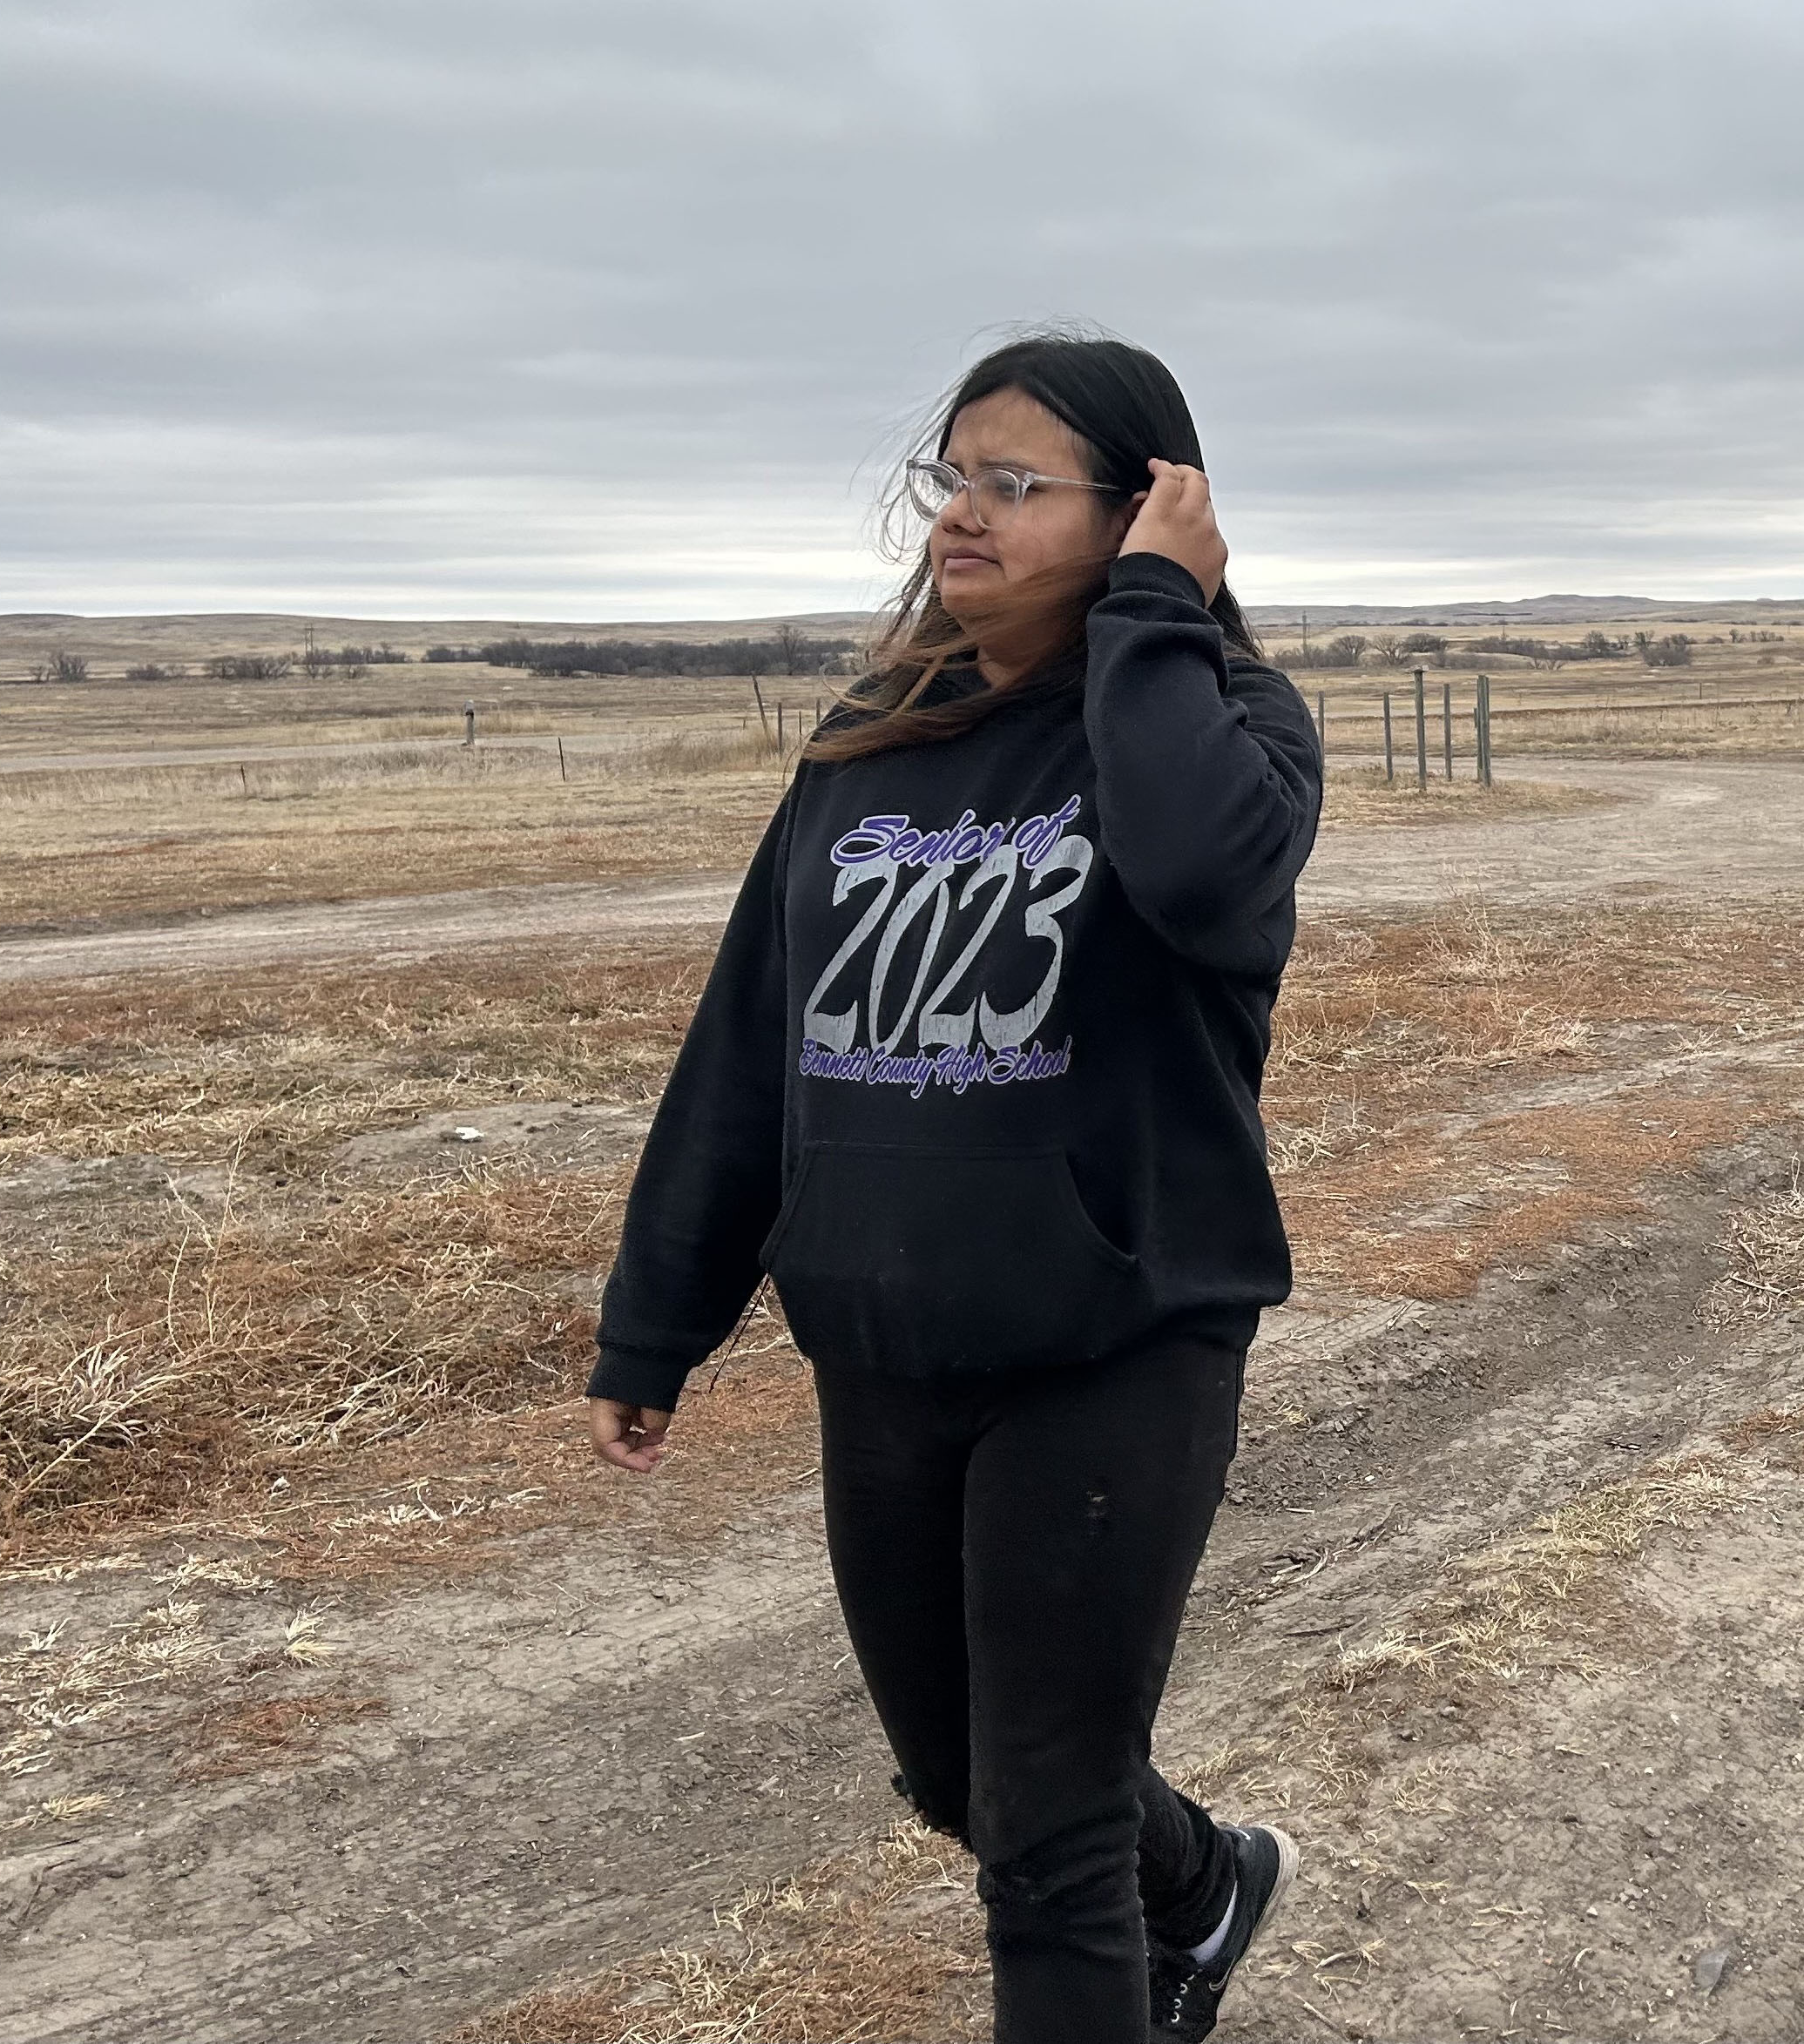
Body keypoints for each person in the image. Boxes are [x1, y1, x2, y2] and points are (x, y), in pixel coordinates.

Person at [584, 329, 1321, 2044]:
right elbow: (750, 1046)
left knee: (1047, 1830)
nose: (958, 518)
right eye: (952, 478)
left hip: (1117, 1341)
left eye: (1015, 484)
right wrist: (657, 1322)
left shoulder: (1227, 732)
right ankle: (1205, 1885)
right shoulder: (874, 742)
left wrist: (1150, 621)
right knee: (964, 1778)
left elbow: (1202, 879)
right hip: (888, 1348)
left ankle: (1149, 1939)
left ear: (1151, 511)